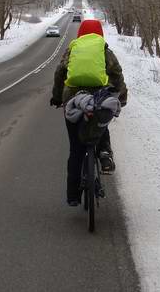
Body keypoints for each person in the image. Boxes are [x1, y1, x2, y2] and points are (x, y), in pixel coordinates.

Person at [50, 19, 128, 206]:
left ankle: (73, 196)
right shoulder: (104, 51)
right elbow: (117, 75)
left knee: (76, 149)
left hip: (73, 99)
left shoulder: (73, 50)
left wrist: (57, 97)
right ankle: (104, 153)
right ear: (100, 33)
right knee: (101, 124)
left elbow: (60, 73)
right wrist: (121, 98)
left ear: (80, 33)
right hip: (98, 97)